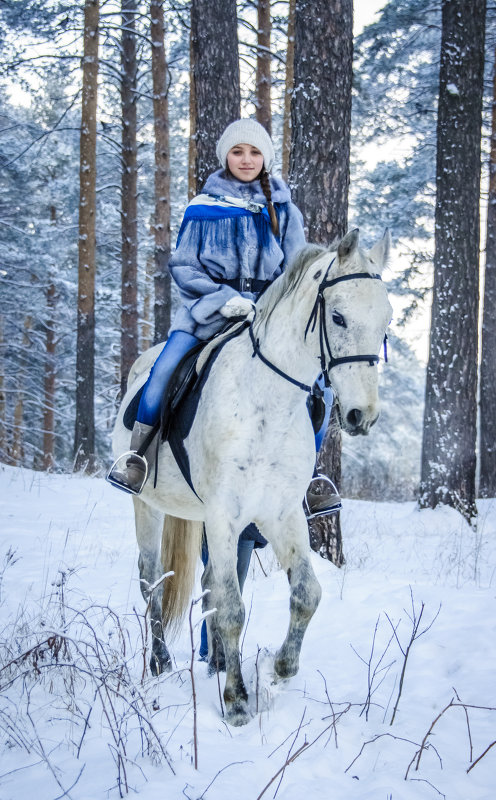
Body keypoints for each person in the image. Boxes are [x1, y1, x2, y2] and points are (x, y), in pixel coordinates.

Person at [107, 118, 340, 516]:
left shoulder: (284, 210)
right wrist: (223, 299)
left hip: (269, 321)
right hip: (209, 315)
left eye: (254, 152)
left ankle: (311, 478)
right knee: (162, 371)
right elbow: (184, 267)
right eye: (237, 151)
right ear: (226, 157)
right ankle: (138, 458)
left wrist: (269, 306)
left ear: (265, 157)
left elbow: (298, 273)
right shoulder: (202, 208)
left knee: (323, 387)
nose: (246, 159)